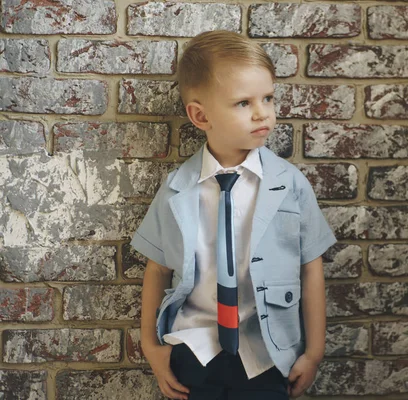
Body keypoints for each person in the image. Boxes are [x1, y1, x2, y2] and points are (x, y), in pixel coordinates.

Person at [130, 30, 337, 400]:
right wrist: (150, 346)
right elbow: (157, 268)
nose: (263, 113)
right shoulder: (177, 188)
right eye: (243, 103)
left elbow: (311, 266)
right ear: (200, 115)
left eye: (268, 98)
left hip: (268, 354)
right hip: (194, 349)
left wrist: (314, 351)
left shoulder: (290, 184)